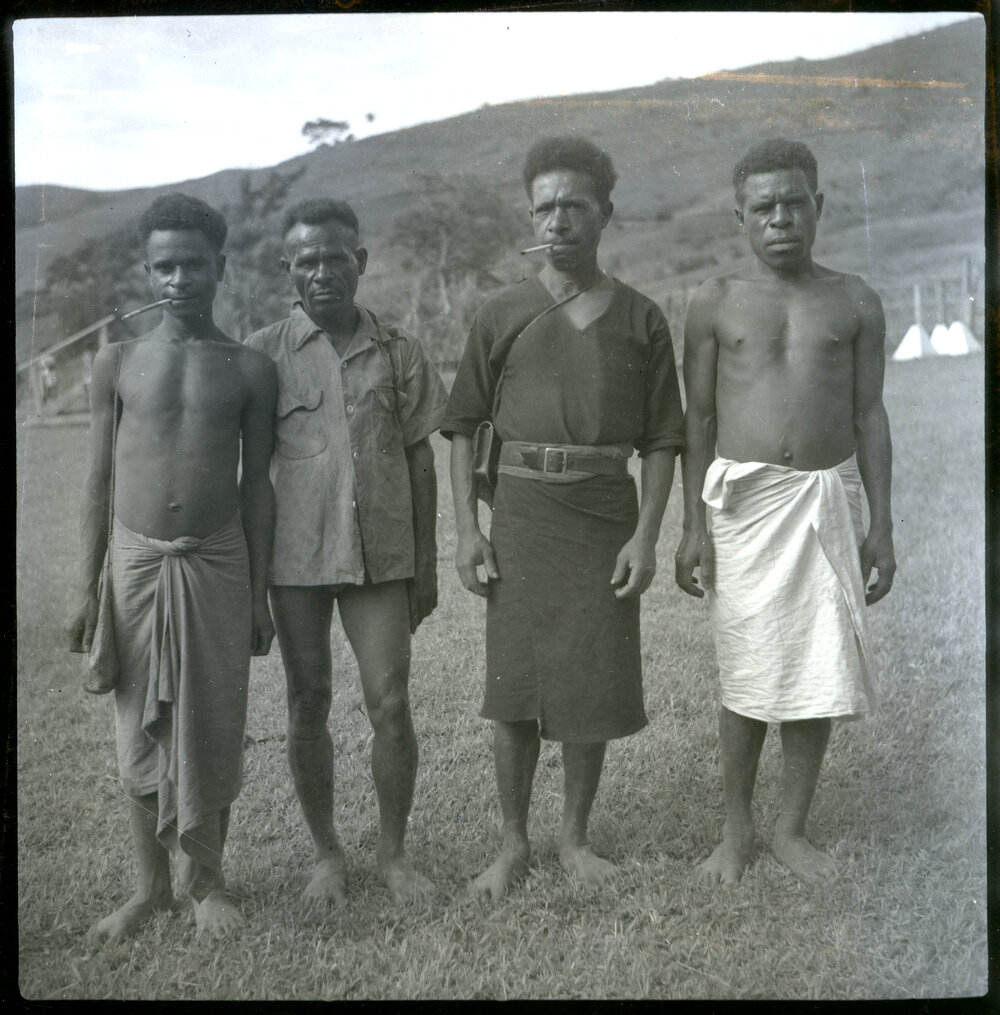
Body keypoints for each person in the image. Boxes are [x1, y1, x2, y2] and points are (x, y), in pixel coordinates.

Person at [443, 135, 685, 900]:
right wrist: (466, 531)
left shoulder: (642, 318)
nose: (557, 220)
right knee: (514, 683)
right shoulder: (500, 313)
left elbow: (663, 440)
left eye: (574, 205)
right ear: (530, 217)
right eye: (543, 207)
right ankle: (513, 842)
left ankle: (575, 837)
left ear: (604, 213)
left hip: (604, 513)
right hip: (521, 513)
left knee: (592, 676)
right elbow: (461, 427)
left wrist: (647, 536)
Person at [675, 138, 896, 887]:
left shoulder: (856, 299)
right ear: (740, 216)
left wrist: (882, 527)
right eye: (763, 207)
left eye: (793, 203)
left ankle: (791, 829)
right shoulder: (714, 300)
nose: (780, 219)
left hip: (826, 499)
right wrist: (693, 526)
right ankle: (736, 830)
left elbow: (870, 415)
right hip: (745, 508)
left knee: (818, 663)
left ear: (818, 206)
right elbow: (698, 418)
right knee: (746, 665)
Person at [66, 193, 278, 940]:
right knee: (138, 725)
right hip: (135, 563)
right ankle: (150, 887)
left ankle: (208, 883)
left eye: (193, 264)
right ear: (146, 271)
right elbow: (98, 480)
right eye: (164, 267)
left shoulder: (250, 367)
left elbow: (258, 487)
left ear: (221, 267)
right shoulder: (117, 361)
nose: (179, 279)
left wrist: (259, 594)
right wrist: (86, 589)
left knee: (213, 719)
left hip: (217, 561)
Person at [245, 199, 447, 906]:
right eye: (307, 260)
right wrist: (252, 586)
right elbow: (250, 476)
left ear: (360, 262)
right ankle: (326, 854)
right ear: (288, 270)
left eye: (336, 257)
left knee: (390, 703)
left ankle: (394, 854)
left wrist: (425, 563)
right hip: (295, 561)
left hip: (381, 558)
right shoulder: (262, 355)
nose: (322, 271)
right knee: (308, 701)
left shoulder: (399, 349)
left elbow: (421, 460)